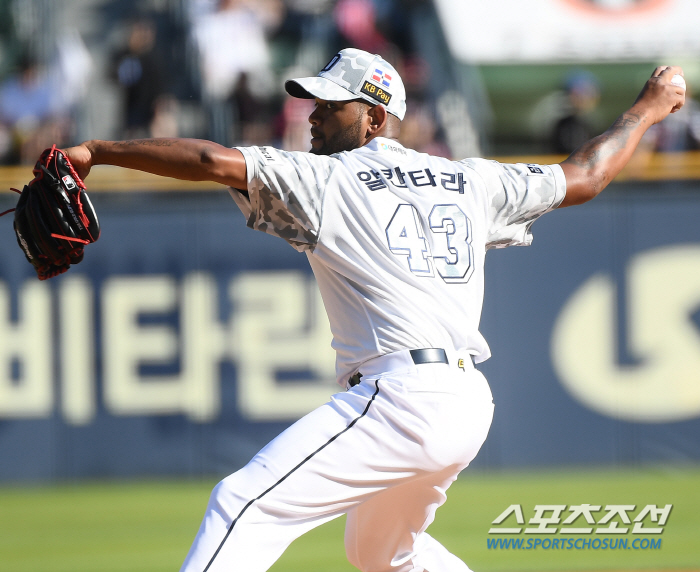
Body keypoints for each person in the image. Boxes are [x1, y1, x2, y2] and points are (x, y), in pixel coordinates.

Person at [64, 48, 684, 572]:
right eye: (315, 102)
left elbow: (209, 161)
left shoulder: (327, 179)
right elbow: (586, 175)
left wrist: (98, 150)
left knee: (244, 503)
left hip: (402, 397)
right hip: (465, 404)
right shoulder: (470, 180)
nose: (314, 116)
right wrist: (647, 109)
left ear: (375, 118)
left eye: (331, 105)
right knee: (380, 550)